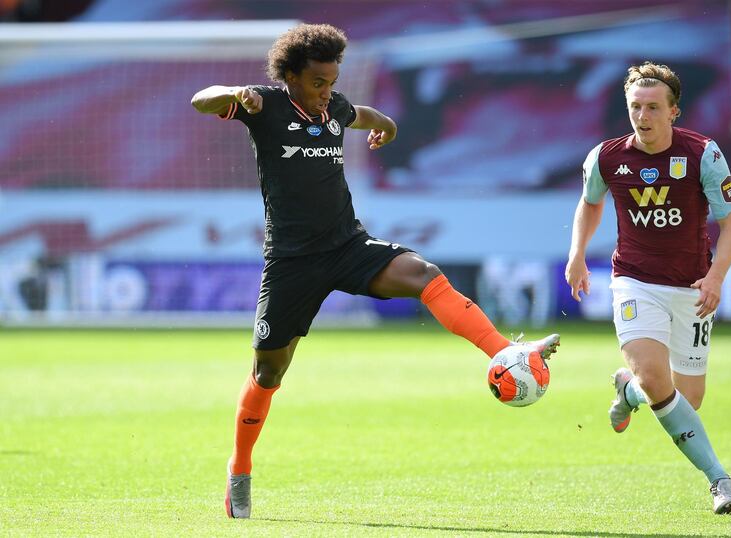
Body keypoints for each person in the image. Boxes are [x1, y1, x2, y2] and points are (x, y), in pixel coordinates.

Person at [191, 24, 560, 519]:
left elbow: (358, 114)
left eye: (332, 81)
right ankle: (240, 468)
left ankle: (507, 351)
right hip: (292, 263)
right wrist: (230, 94)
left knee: (424, 273)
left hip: (348, 245)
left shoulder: (334, 108)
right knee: (268, 370)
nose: (328, 92)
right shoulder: (265, 106)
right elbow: (202, 101)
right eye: (318, 82)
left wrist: (383, 121)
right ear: (292, 77)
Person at [564, 61, 731, 514]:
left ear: (674, 111)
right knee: (656, 380)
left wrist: (716, 277)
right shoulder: (606, 156)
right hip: (634, 281)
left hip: (692, 286)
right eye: (634, 107)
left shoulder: (704, 154)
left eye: (651, 108)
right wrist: (577, 254)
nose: (642, 117)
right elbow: (589, 205)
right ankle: (720, 479)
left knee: (689, 399)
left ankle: (628, 391)